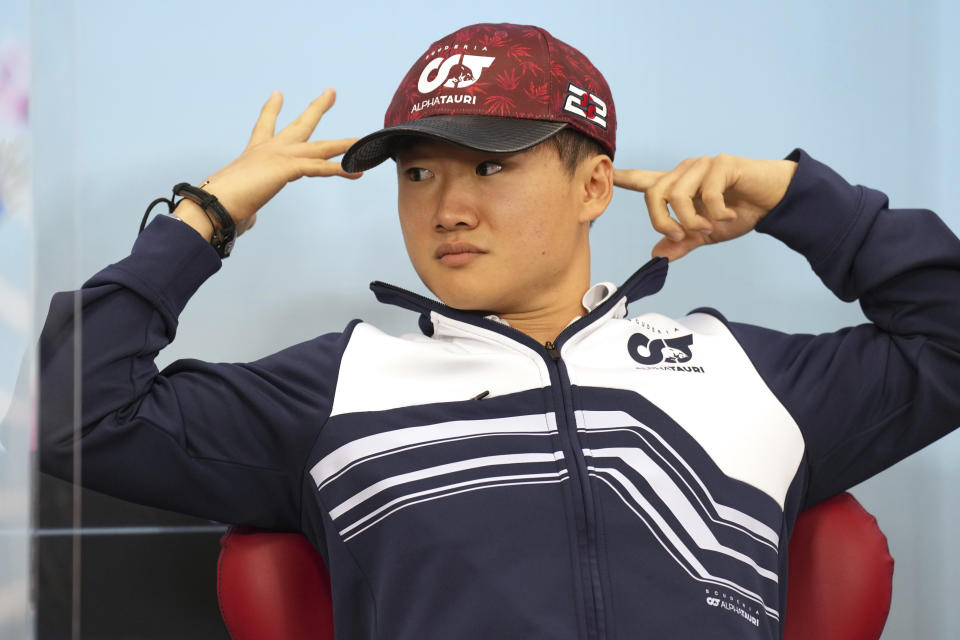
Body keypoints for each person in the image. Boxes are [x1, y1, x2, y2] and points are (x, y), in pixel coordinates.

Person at [38, 22, 960, 639]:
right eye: (419, 175)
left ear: (594, 186)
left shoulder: (741, 372)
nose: (446, 208)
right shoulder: (338, 387)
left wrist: (805, 202)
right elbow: (71, 415)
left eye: (488, 168)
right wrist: (209, 214)